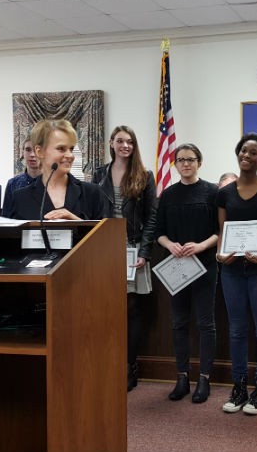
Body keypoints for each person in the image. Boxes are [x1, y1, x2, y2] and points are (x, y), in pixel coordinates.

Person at [217, 133, 257, 415]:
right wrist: (220, 254)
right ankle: (239, 386)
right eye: (243, 150)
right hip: (231, 269)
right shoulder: (224, 193)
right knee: (237, 329)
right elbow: (222, 233)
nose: (247, 156)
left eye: (253, 153)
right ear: (238, 153)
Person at [92, 126, 157, 392]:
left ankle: (130, 366)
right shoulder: (98, 174)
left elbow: (152, 217)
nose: (125, 146)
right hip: (104, 249)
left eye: (130, 141)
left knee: (131, 309)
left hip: (132, 248)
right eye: (120, 141)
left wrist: (144, 252)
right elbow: (91, 211)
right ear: (111, 143)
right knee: (106, 309)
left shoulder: (144, 175)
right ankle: (108, 363)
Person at [154, 143, 219, 403]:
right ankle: (182, 377)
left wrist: (202, 245)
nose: (185, 164)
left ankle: (205, 379)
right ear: (175, 164)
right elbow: (159, 231)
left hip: (205, 264)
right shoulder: (168, 195)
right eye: (180, 160)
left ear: (199, 162)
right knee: (179, 323)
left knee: (206, 323)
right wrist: (169, 244)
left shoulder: (213, 192)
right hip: (178, 266)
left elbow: (221, 230)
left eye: (190, 159)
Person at [6, 119, 108, 221]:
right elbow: (8, 235)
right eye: (61, 148)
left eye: (71, 149)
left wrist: (79, 224)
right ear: (40, 151)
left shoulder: (93, 193)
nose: (70, 155)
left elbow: (109, 235)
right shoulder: (20, 198)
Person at [1, 138, 41, 215]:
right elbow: (6, 217)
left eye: (37, 150)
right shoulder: (12, 184)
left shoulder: (51, 183)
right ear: (22, 153)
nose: (32, 154)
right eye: (28, 150)